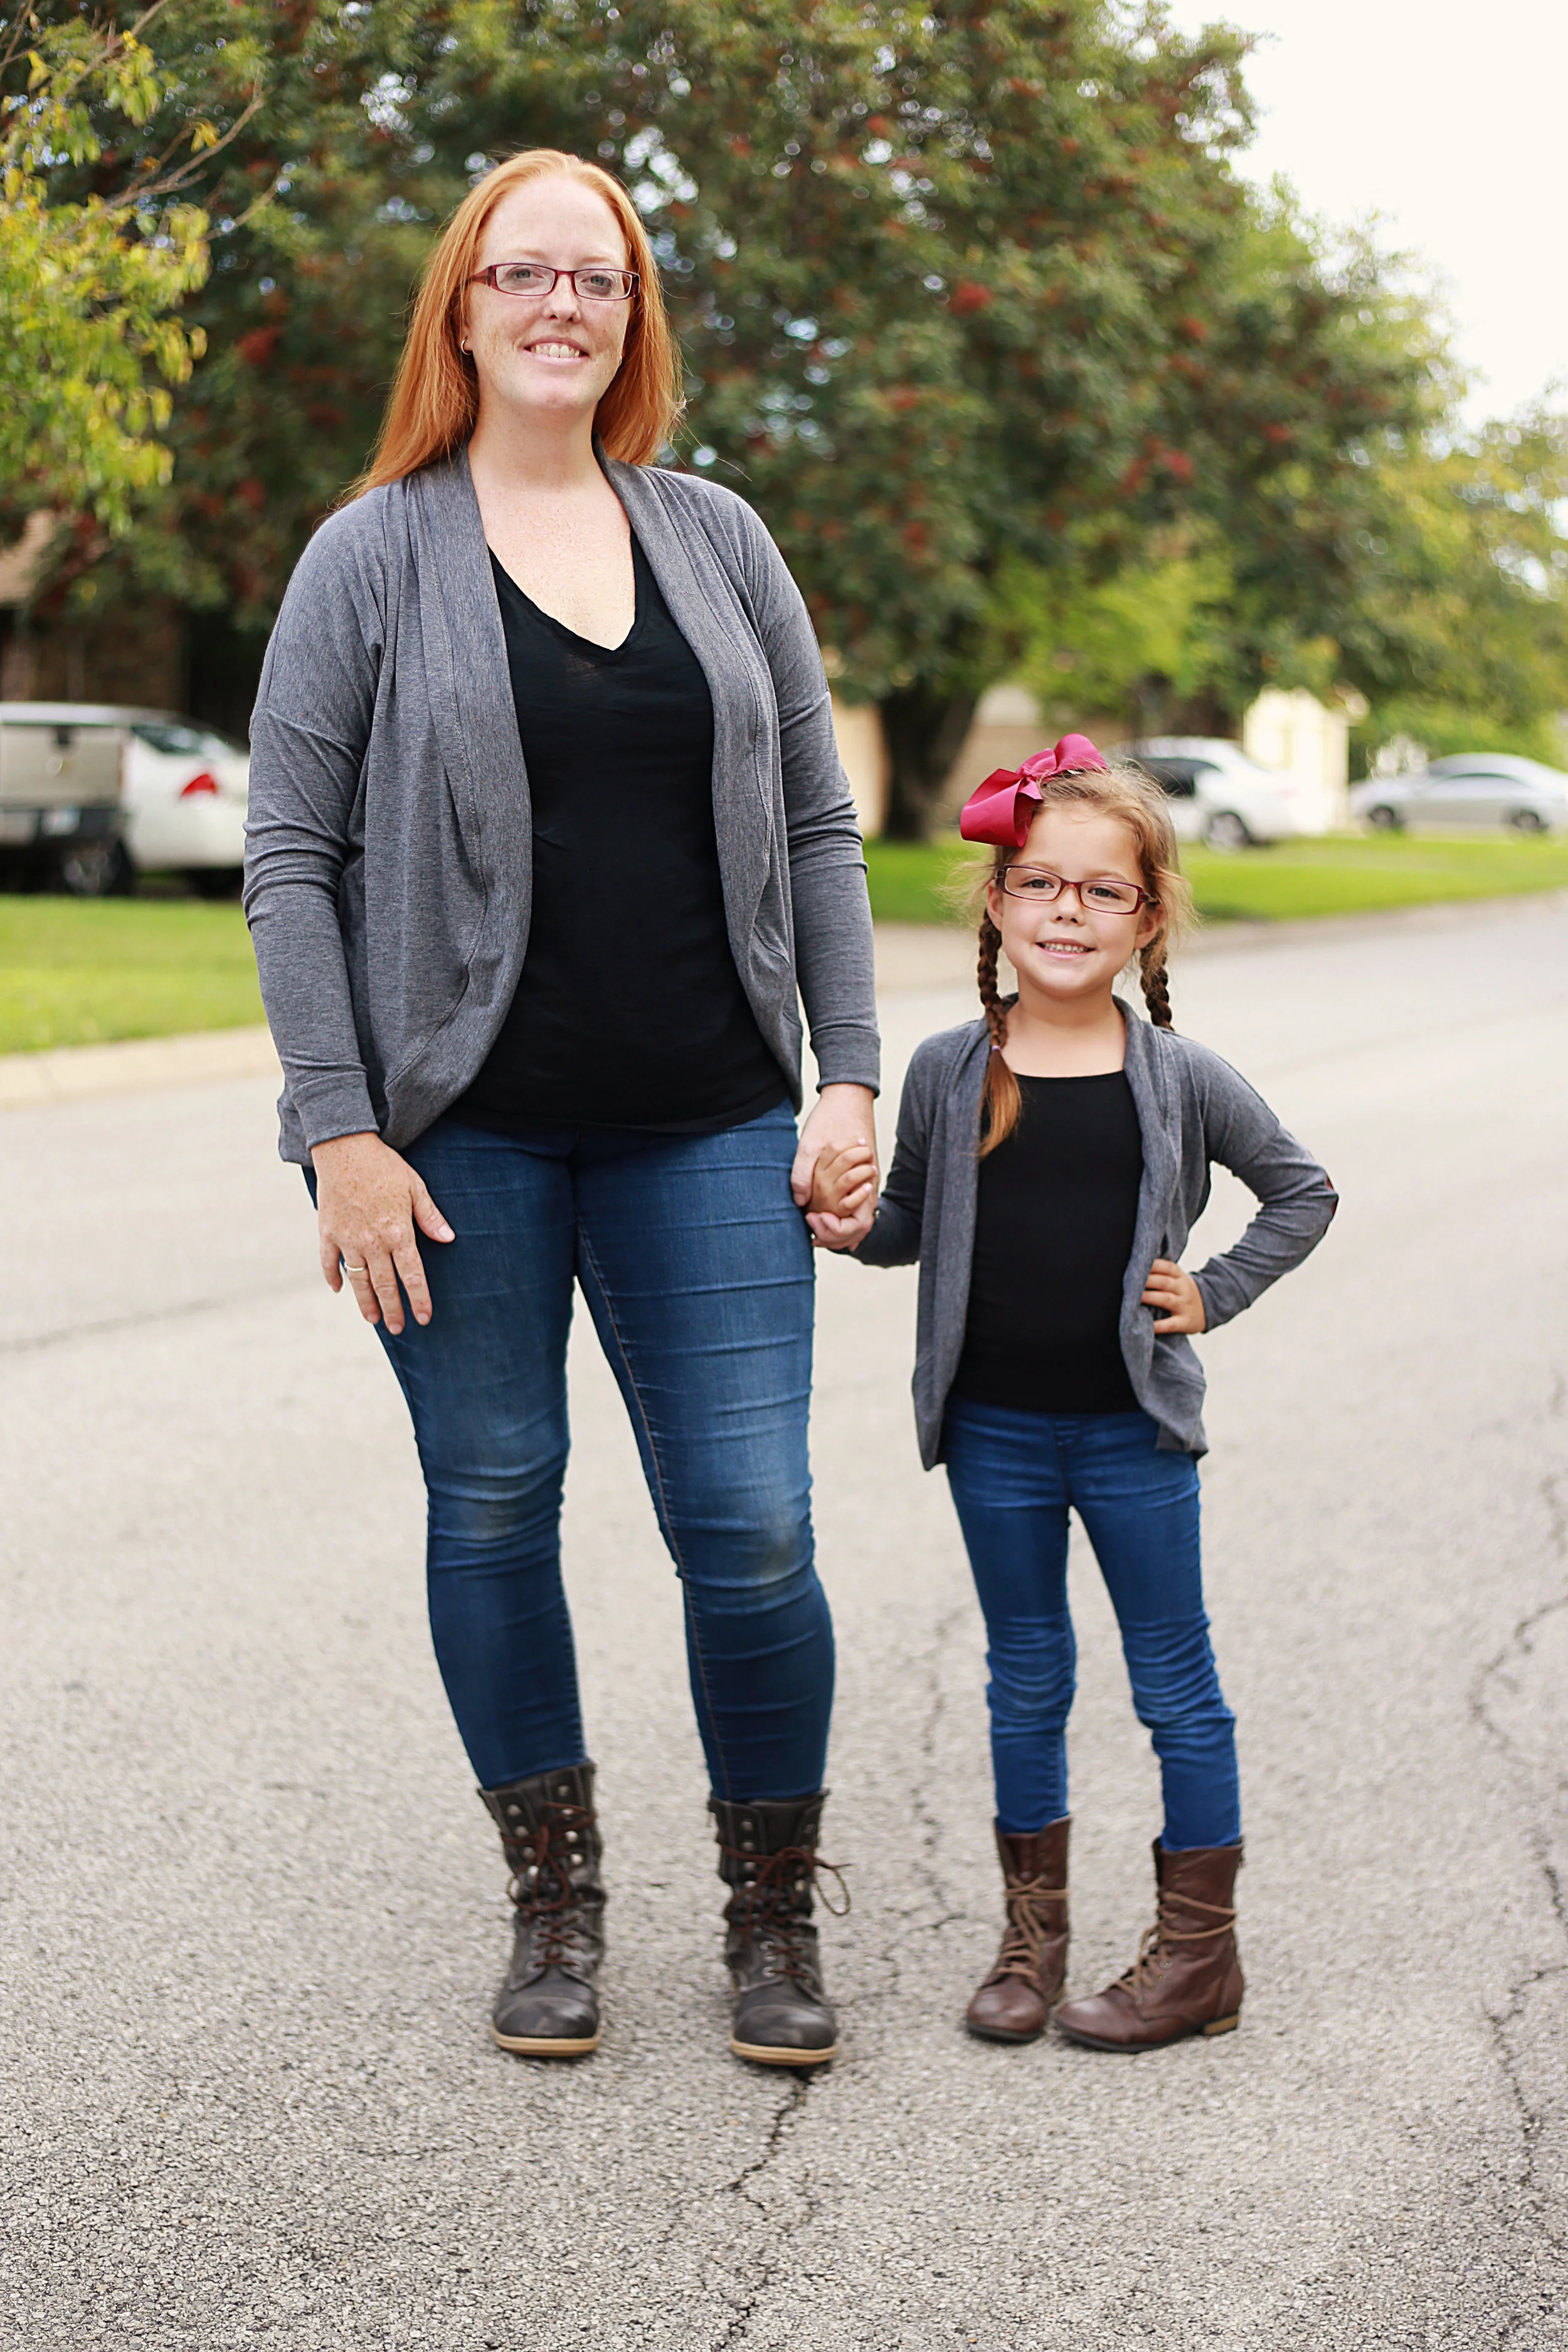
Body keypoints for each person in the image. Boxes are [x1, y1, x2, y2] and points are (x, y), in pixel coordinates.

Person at [243, 149, 881, 2070]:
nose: (559, 306)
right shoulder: (372, 553)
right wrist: (341, 1131)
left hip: (711, 1117)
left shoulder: (718, 539)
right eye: (521, 273)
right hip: (460, 1143)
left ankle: (769, 1909)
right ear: (461, 308)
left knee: (751, 1524)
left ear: (631, 318)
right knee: (496, 1496)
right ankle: (554, 1898)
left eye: (596, 279)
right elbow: (288, 856)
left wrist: (846, 1073)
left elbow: (820, 823)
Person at [813, 739, 1336, 2049]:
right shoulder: (949, 1067)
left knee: (1175, 1683)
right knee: (1025, 1676)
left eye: (1103, 891)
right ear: (996, 902)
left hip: (1130, 1437)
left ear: (1146, 919)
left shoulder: (1180, 1078)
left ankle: (1200, 1958)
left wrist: (1213, 1290)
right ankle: (1029, 1943)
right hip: (991, 1433)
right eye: (1039, 883)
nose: (1066, 911)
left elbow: (1302, 1191)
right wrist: (852, 1226)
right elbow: (912, 1222)